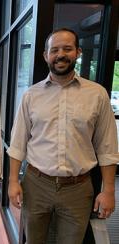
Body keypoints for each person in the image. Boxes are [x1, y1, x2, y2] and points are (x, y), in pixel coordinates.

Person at [7, 27, 118, 244]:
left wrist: (109, 191)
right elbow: (18, 142)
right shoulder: (31, 95)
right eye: (54, 49)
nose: (60, 54)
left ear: (77, 52)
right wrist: (13, 181)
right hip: (36, 184)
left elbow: (108, 147)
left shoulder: (97, 94)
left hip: (79, 188)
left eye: (67, 49)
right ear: (46, 55)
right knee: (34, 241)